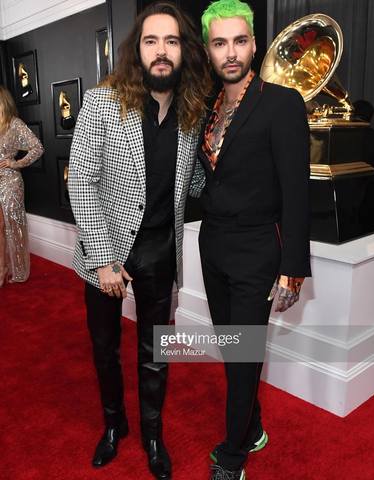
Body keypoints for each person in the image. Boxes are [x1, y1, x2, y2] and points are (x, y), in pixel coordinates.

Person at [68, 3, 211, 479]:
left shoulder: (192, 111)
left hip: (159, 250)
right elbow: (81, 181)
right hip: (108, 248)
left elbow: (191, 186)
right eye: (152, 41)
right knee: (104, 345)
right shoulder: (102, 102)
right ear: (138, 50)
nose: (161, 51)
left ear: (183, 51)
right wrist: (105, 259)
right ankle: (114, 426)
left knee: (157, 350)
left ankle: (153, 434)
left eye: (171, 41)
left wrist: (227, 157)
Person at [189, 1, 311, 478]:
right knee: (232, 348)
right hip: (213, 245)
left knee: (242, 358)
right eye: (220, 43)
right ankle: (253, 427)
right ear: (208, 51)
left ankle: (233, 457)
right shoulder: (206, 109)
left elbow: (297, 192)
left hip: (259, 249)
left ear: (255, 43)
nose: (231, 52)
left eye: (240, 40)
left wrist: (293, 267)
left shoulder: (281, 103)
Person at [0, 85, 44, 287]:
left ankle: (16, 268)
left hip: (10, 181)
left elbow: (37, 148)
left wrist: (15, 163)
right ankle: (2, 268)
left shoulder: (14, 124)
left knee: (12, 225)